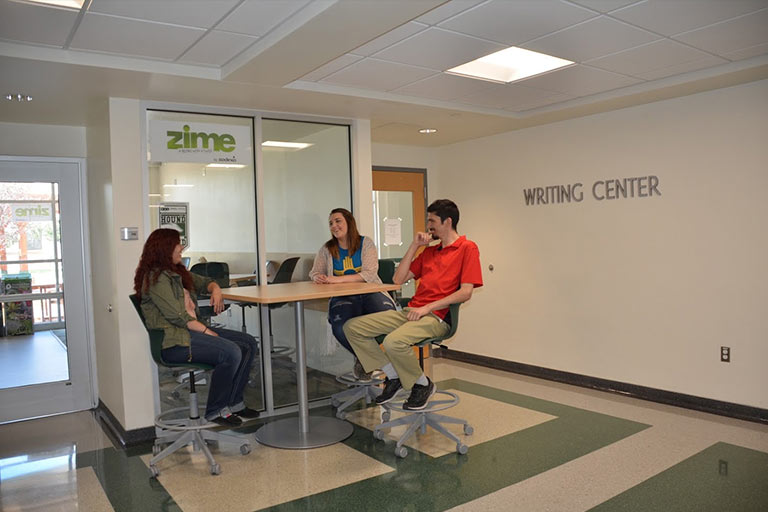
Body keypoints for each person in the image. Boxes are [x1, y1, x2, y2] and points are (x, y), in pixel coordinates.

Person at [344, 199, 483, 410]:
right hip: (411, 312)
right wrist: (415, 245)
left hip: (437, 316)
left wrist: (427, 308)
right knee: (352, 328)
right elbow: (397, 280)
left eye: (432, 221)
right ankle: (394, 377)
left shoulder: (467, 248)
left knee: (393, 342)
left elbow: (466, 292)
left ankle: (422, 385)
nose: (428, 226)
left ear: (447, 221)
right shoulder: (429, 252)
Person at [133, 228, 259, 427]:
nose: (181, 247)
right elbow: (178, 317)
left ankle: (234, 403)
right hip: (174, 341)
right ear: (165, 248)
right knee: (232, 351)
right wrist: (209, 332)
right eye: (178, 244)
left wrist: (216, 290)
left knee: (249, 343)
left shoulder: (177, 273)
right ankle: (215, 410)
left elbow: (206, 282)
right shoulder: (155, 279)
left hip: (189, 332)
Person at [309, 208, 396, 380]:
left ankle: (365, 358)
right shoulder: (327, 249)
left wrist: (337, 280)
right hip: (343, 297)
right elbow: (314, 272)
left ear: (349, 222)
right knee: (340, 328)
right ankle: (368, 359)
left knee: (389, 318)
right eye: (331, 223)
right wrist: (319, 277)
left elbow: (370, 273)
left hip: (370, 292)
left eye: (338, 221)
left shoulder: (366, 243)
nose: (334, 226)